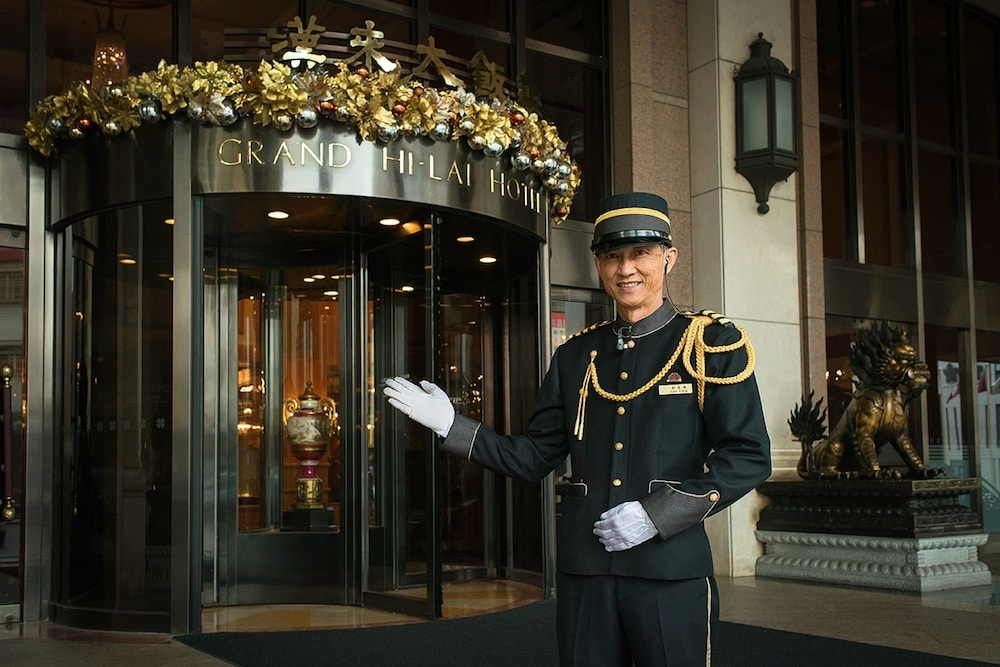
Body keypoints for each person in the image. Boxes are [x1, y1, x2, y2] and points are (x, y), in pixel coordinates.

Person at [383, 191, 771, 666]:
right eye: (611, 256)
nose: (626, 269)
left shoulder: (710, 343)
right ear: (598, 266)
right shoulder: (574, 357)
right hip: (586, 570)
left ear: (668, 258)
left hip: (670, 570)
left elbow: (747, 455)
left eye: (640, 254)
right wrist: (453, 426)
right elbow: (534, 456)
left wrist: (657, 515)